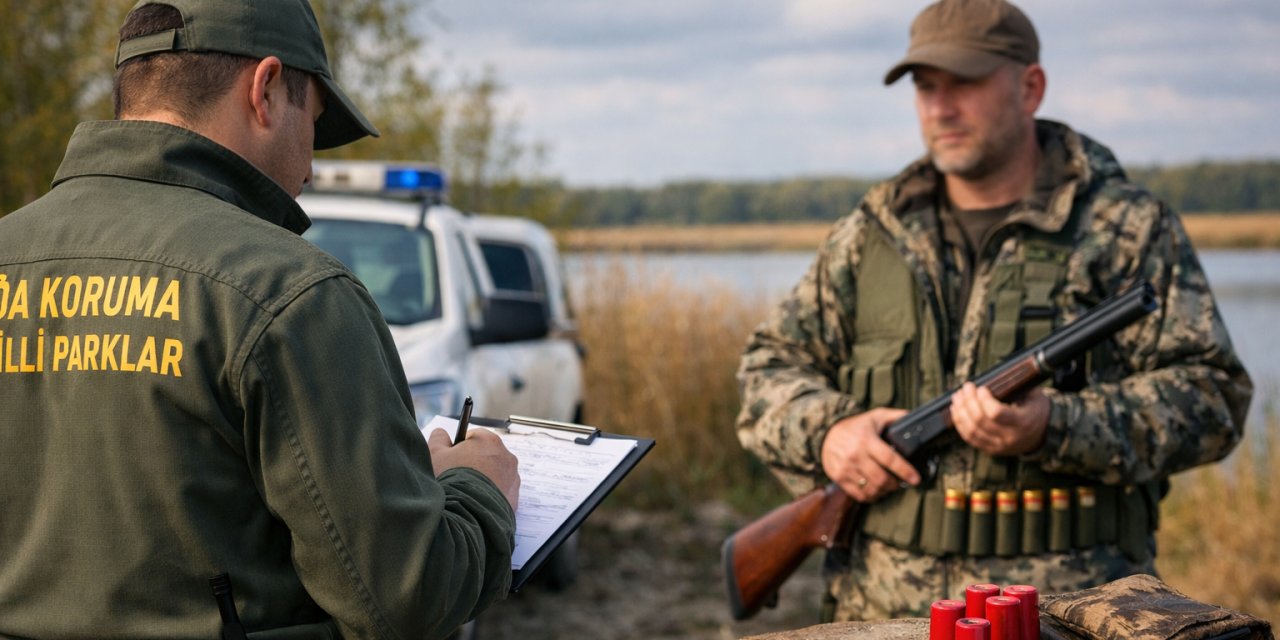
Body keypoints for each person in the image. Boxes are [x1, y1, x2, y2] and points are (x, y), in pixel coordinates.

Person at [0, 1, 519, 637]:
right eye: (314, 125)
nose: (308, 167)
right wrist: (475, 490)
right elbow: (407, 600)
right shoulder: (292, 293)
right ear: (266, 88)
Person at [735, 0, 1252, 622]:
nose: (940, 108)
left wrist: (1056, 427)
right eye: (926, 87)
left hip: (1068, 616)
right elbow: (766, 372)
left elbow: (1214, 399)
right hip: (882, 620)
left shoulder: (1126, 229)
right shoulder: (871, 234)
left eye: (966, 83)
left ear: (1030, 86)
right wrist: (831, 433)